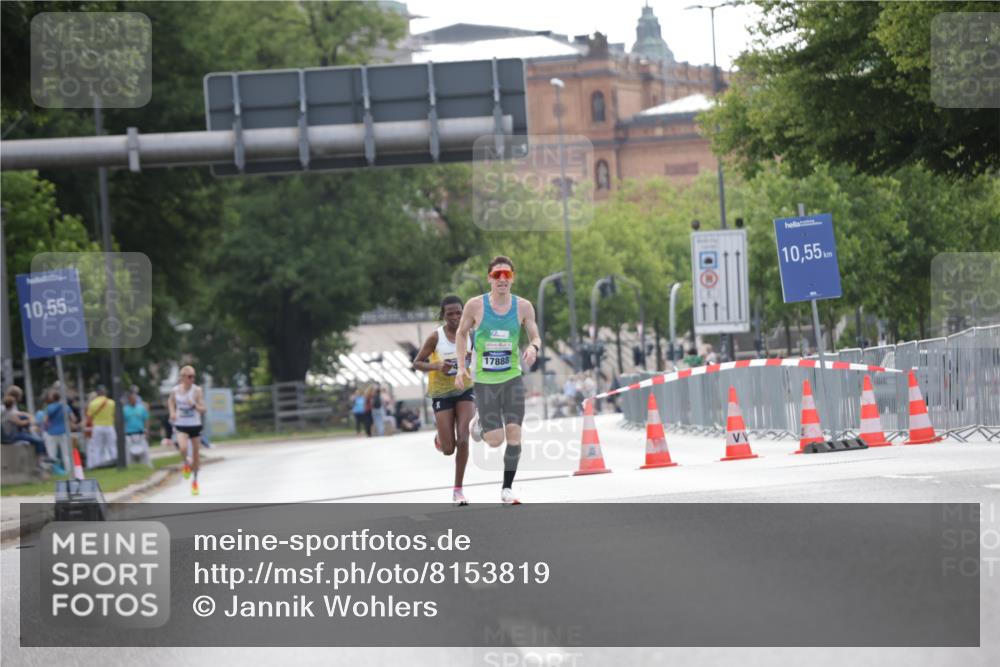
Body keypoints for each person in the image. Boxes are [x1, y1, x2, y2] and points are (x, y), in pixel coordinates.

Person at [455, 256, 541, 506]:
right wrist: (462, 368)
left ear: (512, 277)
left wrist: (533, 347)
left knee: (514, 434)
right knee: (495, 440)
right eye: (497, 275)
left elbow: (535, 335)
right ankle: (480, 422)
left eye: (506, 275)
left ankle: (507, 488)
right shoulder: (475, 306)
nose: (502, 280)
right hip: (485, 381)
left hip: (512, 377)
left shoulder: (523, 307)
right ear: (489, 279)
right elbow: (461, 334)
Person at [413, 295, 476, 505]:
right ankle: (441, 439)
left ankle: (458, 489)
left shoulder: (472, 335)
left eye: (459, 312)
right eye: (450, 314)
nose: (455, 317)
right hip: (441, 394)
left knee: (464, 439)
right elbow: (417, 362)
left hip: (465, 390)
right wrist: (436, 365)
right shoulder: (435, 337)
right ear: (443, 315)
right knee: (449, 449)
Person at [168, 365, 207, 495]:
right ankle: (186, 462)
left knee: (196, 456)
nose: (192, 379)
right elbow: (170, 401)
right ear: (183, 377)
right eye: (190, 376)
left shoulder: (197, 391)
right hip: (181, 424)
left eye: (194, 376)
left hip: (195, 425)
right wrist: (172, 412)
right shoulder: (175, 390)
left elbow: (203, 409)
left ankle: (195, 482)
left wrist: (194, 405)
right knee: (183, 448)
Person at [43, 390, 75, 475]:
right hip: (64, 431)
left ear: (52, 398)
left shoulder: (49, 407)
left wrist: (47, 428)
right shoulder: (66, 407)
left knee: (52, 453)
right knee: (66, 453)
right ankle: (69, 470)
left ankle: (52, 471)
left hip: (52, 432)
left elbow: (45, 421)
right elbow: (73, 418)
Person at [85, 385, 117, 469]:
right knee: (112, 446)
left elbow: (89, 417)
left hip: (98, 427)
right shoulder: (111, 402)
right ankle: (115, 462)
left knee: (97, 447)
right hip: (109, 426)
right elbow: (115, 415)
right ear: (105, 392)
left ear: (97, 393)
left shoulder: (92, 403)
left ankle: (97, 464)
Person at [123, 390, 152, 468]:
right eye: (132, 398)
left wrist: (147, 430)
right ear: (129, 399)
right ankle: (129, 466)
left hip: (140, 433)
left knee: (145, 451)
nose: (134, 400)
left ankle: (148, 466)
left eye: (135, 398)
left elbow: (146, 419)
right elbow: (122, 422)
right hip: (129, 434)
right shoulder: (125, 409)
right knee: (128, 453)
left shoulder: (141, 408)